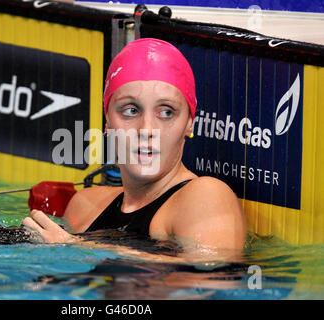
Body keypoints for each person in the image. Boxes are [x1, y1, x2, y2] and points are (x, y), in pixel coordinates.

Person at [22, 38, 247, 261]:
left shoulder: (205, 195)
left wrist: (76, 245)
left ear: (189, 123)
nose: (146, 129)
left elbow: (213, 276)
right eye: (130, 110)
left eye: (166, 112)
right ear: (108, 121)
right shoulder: (84, 207)